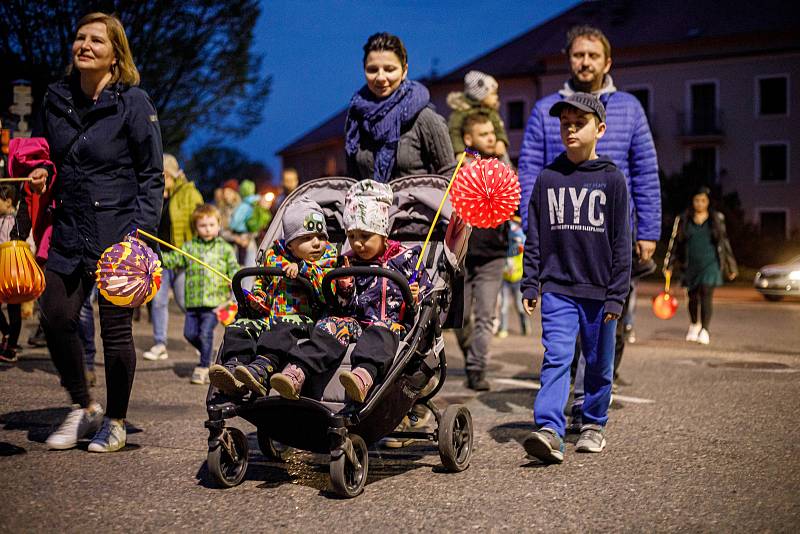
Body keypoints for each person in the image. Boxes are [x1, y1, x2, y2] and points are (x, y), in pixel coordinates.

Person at [28, 12, 163, 453]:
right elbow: (43, 153)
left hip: (119, 233)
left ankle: (117, 420)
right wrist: (39, 172)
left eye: (96, 41)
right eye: (80, 38)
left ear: (114, 55)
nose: (84, 46)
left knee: (116, 331)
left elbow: (151, 174)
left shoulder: (134, 102)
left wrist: (139, 235)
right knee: (56, 315)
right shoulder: (55, 99)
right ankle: (84, 406)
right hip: (69, 228)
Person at [517, 24, 660, 424]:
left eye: (593, 55)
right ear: (569, 60)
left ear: (607, 62)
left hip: (611, 234)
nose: (585, 62)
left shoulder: (629, 108)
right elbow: (529, 166)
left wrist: (648, 230)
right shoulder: (548, 111)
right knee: (564, 327)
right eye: (578, 55)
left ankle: (591, 398)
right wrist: (534, 221)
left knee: (605, 324)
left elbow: (645, 170)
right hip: (561, 233)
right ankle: (564, 404)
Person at [520, 93, 631, 463]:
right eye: (564, 122)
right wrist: (530, 281)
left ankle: (593, 423)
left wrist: (616, 296)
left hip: (600, 292)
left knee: (599, 362)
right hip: (557, 289)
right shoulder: (548, 177)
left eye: (578, 123)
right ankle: (550, 429)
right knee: (557, 357)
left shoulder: (612, 180)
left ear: (599, 129)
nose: (570, 129)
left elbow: (622, 243)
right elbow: (534, 235)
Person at [267, 180, 427, 402]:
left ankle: (362, 376)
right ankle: (297, 372)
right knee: (330, 324)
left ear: (382, 233)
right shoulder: (347, 261)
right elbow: (341, 305)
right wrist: (344, 288)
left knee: (381, 330)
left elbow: (425, 289)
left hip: (391, 324)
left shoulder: (405, 258)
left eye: (365, 236)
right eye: (352, 237)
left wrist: (416, 293)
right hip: (355, 322)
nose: (358, 244)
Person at [208, 199, 337, 396]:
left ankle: (262, 370)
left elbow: (329, 291)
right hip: (269, 316)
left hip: (303, 320)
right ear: (291, 244)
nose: (317, 243)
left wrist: (305, 269)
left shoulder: (327, 258)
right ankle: (234, 367)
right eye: (307, 237)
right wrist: (257, 298)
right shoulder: (273, 256)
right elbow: (262, 282)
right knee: (239, 325)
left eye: (321, 236)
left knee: (281, 328)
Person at [345, 32, 455, 182]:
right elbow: (353, 181)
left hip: (417, 204)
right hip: (368, 205)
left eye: (389, 69)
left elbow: (450, 175)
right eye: (372, 69)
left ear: (404, 71)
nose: (381, 77)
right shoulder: (356, 119)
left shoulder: (425, 118)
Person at [455, 114, 508, 391]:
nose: (491, 137)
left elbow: (512, 199)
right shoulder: (458, 169)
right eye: (484, 133)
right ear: (468, 139)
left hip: (493, 254)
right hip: (462, 256)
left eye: (492, 133)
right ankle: (470, 355)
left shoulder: (501, 167)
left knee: (486, 315)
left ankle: (477, 369)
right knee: (460, 317)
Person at [160, 204, 240, 384]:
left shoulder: (225, 248)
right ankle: (207, 352)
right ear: (195, 227)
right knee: (189, 334)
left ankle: (204, 366)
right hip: (193, 302)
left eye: (212, 225)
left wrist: (233, 278)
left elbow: (234, 269)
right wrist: (156, 256)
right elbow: (173, 260)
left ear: (219, 225)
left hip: (215, 302)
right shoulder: (189, 248)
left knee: (205, 333)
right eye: (203, 225)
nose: (208, 229)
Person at [142, 153, 203, 361]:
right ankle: (160, 343)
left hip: (181, 256)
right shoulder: (157, 194)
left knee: (184, 300)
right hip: (160, 256)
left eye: (163, 174)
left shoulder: (189, 193)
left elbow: (201, 223)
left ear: (171, 173)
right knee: (158, 301)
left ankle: (200, 340)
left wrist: (195, 251)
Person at [664, 187, 737, 345]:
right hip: (690, 265)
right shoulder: (683, 219)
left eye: (703, 200)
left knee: (706, 294)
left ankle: (705, 329)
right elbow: (675, 244)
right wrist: (668, 264)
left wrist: (731, 266)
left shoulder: (716, 218)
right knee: (692, 297)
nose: (700, 203)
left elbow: (724, 243)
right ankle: (694, 324)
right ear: (692, 201)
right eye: (697, 200)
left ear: (708, 202)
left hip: (710, 264)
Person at [447, 70, 511, 163]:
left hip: (492, 153)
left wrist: (501, 141)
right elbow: (454, 132)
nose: (496, 97)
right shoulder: (461, 111)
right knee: (468, 165)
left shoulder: (491, 112)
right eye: (493, 94)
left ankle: (507, 173)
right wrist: (459, 151)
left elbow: (498, 128)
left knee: (503, 156)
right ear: (481, 95)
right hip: (469, 152)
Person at [0, 185, 23, 364]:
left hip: (13, 271)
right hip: (3, 271)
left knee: (15, 310)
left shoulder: (14, 221)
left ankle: (12, 347)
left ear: (8, 201)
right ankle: (7, 334)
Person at [496, 215, 528, 339]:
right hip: (505, 280)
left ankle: (525, 325)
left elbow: (523, 260)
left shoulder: (520, 247)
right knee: (504, 306)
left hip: (518, 279)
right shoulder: (504, 246)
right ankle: (503, 329)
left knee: (520, 306)